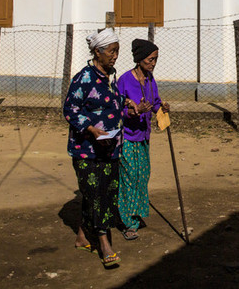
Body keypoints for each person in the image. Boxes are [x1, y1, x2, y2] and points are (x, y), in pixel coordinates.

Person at [62, 28, 125, 268]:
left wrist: (127, 106)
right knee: (96, 194)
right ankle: (104, 244)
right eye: (111, 51)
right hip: (87, 151)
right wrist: (90, 129)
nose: (115, 55)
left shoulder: (111, 78)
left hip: (110, 148)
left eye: (117, 51)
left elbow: (112, 105)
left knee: (104, 193)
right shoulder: (84, 78)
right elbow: (70, 109)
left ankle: (81, 236)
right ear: (97, 52)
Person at [117, 38, 170, 240]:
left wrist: (161, 107)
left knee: (143, 175)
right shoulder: (124, 80)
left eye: (155, 59)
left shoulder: (149, 79)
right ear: (139, 59)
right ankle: (128, 223)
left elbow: (155, 101)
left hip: (144, 136)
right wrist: (132, 111)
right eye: (150, 60)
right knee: (129, 177)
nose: (153, 64)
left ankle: (136, 214)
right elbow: (115, 109)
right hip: (127, 137)